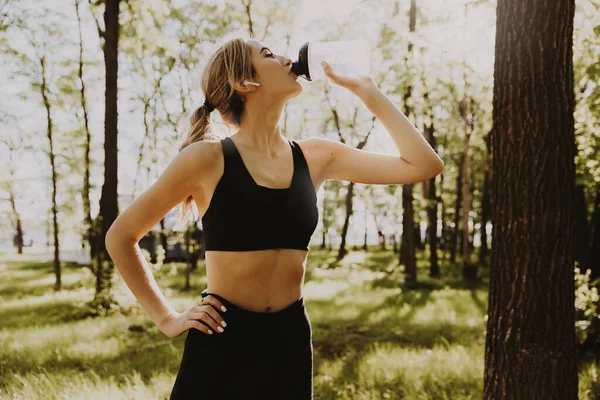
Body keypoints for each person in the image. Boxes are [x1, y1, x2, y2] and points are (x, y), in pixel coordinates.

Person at [105, 34, 444, 400]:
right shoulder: (206, 159)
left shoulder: (316, 156)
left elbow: (424, 165)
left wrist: (367, 91)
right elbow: (120, 237)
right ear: (243, 82)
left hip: (289, 341)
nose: (286, 59)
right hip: (222, 340)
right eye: (268, 54)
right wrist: (167, 319)